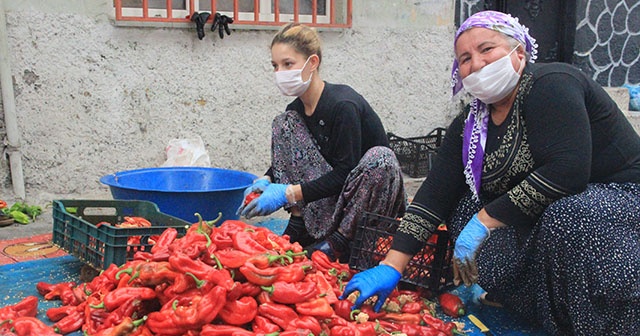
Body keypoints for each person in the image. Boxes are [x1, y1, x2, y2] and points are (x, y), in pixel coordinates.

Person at [342, 10, 640, 336]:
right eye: (465, 58)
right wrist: (391, 266)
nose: (478, 64)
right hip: (552, 207)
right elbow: (434, 195)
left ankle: (603, 323)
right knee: (462, 210)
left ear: (519, 53)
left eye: (487, 49)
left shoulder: (552, 84)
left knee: (568, 214)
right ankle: (528, 302)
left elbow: (568, 171)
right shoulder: (470, 124)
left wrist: (484, 220)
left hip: (618, 195)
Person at [237, 23, 406, 262]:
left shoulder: (342, 105)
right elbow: (292, 160)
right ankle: (300, 224)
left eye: (288, 64)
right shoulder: (295, 110)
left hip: (365, 206)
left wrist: (288, 193)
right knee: (284, 123)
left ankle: (340, 241)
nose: (280, 73)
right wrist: (266, 179)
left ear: (312, 63)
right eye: (275, 66)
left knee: (381, 157)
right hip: (325, 203)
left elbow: (345, 172)